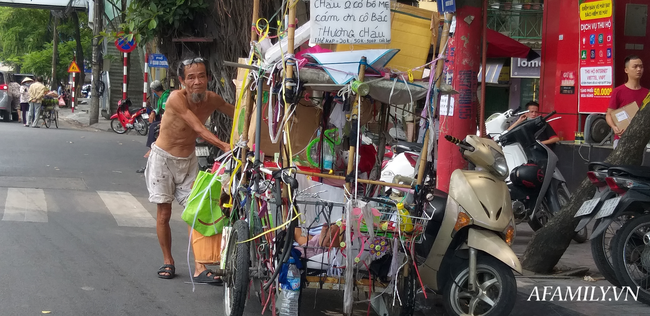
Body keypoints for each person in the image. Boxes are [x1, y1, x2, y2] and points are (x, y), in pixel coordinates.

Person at [145, 57, 234, 282]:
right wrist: (224, 145)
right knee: (164, 213)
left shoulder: (212, 99)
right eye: (191, 77)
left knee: (197, 212)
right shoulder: (176, 98)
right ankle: (168, 261)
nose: (197, 82)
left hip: (188, 160)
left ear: (208, 78)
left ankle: (200, 267)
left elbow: (239, 112)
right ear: (182, 81)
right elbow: (197, 126)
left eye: (201, 76)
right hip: (163, 159)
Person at [607, 55, 649, 148]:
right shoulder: (618, 91)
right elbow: (609, 114)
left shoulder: (647, 93)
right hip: (621, 138)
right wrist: (614, 128)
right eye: (635, 66)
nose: (639, 69)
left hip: (640, 140)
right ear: (626, 70)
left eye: (641, 66)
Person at [137, 81, 170, 173]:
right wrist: (154, 112)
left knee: (153, 128)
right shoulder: (162, 97)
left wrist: (162, 123)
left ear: (154, 91)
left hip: (168, 123)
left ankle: (151, 148)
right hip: (164, 121)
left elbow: (165, 112)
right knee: (153, 126)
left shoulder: (165, 98)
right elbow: (158, 109)